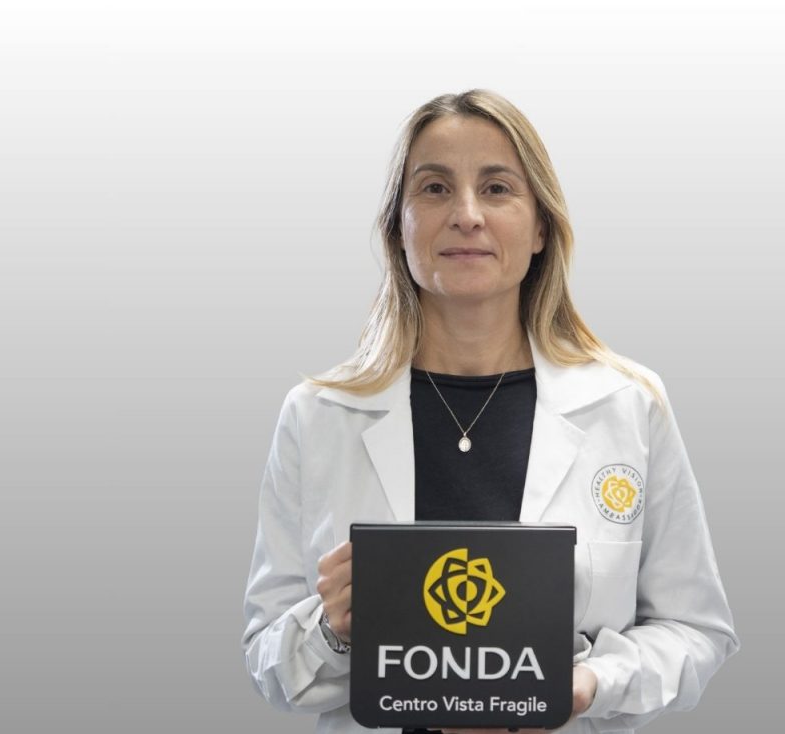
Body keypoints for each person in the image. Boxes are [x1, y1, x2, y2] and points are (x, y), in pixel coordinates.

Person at [241, 89, 740, 733]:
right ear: (398, 227)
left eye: (497, 188)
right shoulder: (319, 416)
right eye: (435, 188)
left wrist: (588, 684)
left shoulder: (627, 406)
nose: (467, 215)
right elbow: (267, 660)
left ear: (540, 228)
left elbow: (696, 629)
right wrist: (331, 631)